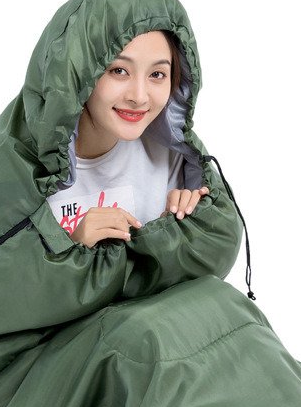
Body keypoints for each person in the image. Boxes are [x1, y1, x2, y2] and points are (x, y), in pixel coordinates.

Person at [46, 29, 211, 248]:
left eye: (157, 74)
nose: (139, 97)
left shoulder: (173, 156)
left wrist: (176, 233)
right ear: (79, 73)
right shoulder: (31, 170)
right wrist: (72, 250)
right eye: (119, 71)